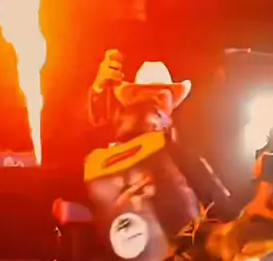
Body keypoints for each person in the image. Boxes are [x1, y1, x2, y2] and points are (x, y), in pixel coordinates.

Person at [88, 52, 235, 219]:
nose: (154, 101)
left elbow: (219, 205)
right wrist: (99, 90)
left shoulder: (185, 157)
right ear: (135, 103)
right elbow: (93, 133)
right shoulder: (116, 151)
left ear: (172, 103)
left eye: (160, 96)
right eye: (148, 96)